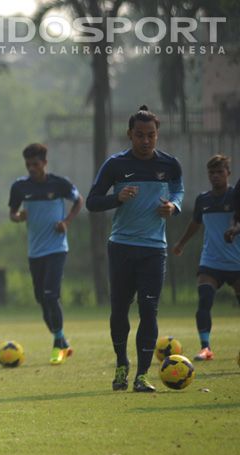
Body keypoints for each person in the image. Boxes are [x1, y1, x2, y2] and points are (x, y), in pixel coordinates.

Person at [87, 105, 184, 393]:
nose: (145, 141)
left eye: (151, 135)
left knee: (149, 310)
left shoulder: (170, 165)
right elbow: (93, 201)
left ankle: (142, 375)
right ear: (130, 134)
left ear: (157, 135)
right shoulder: (115, 165)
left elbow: (178, 191)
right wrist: (117, 198)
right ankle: (121, 365)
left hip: (154, 249)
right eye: (140, 135)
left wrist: (174, 206)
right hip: (122, 247)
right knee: (119, 310)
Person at [8, 143, 83, 365]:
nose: (32, 168)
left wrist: (66, 221)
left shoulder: (59, 184)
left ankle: (57, 344)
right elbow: (12, 213)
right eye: (28, 164)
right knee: (42, 299)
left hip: (57, 249)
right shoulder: (20, 187)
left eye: (36, 164)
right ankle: (62, 340)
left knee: (51, 295)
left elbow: (79, 200)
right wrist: (18, 217)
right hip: (35, 252)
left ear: (45, 163)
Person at [171, 155, 240, 361]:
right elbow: (195, 223)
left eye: (220, 172)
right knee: (204, 300)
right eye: (212, 172)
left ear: (228, 173)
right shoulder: (203, 199)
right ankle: (205, 347)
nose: (216, 176)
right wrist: (181, 243)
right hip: (211, 261)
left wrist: (235, 230)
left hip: (236, 261)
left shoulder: (235, 197)